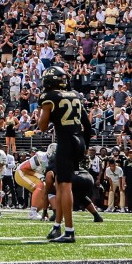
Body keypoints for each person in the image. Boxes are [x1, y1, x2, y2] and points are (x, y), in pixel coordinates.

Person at [37, 70, 92, 245]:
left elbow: (43, 126)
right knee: (60, 184)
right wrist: (85, 147)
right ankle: (57, 226)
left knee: (64, 187)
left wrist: (47, 113)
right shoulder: (74, 95)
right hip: (79, 141)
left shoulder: (49, 97)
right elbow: (88, 125)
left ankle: (69, 230)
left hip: (66, 142)